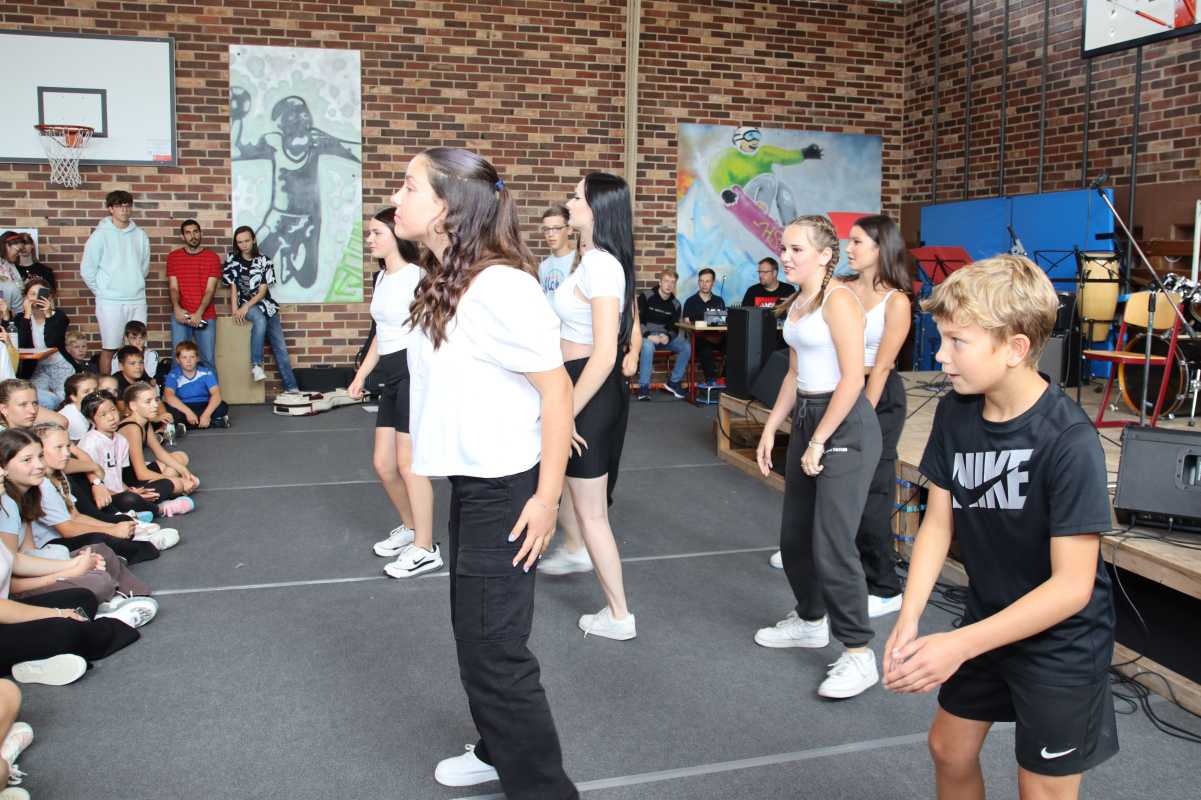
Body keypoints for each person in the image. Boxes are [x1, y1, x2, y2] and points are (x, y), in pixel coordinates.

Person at [883, 255, 1118, 799]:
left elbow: (1072, 587)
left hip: (1061, 641)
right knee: (949, 748)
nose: (940, 355)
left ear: (1014, 348)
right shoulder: (955, 412)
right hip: (988, 617)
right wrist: (910, 616)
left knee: (1040, 789)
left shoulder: (1069, 440)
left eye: (957, 342)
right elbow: (937, 524)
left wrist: (958, 645)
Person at [392, 146, 577, 797]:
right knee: (474, 637)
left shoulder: (501, 287)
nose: (396, 198)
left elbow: (556, 390)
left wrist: (547, 500)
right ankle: (498, 750)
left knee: (496, 651)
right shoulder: (445, 277)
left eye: (409, 186)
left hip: (507, 492)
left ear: (446, 206)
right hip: (474, 486)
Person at [753, 214, 882, 699]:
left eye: (796, 249)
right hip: (808, 415)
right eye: (783, 247)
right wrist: (772, 427)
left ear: (825, 255)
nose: (785, 256)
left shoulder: (839, 301)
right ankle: (810, 620)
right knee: (794, 537)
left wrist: (819, 439)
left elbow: (853, 379)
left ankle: (859, 653)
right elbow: (794, 373)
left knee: (832, 543)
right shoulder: (799, 302)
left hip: (843, 422)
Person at [543, 172, 636, 640]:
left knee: (593, 513)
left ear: (597, 208)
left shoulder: (601, 265)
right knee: (571, 493)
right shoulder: (591, 260)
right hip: (578, 385)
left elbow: (604, 354)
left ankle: (619, 616)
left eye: (577, 197)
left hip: (589, 389)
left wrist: (566, 411)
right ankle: (575, 549)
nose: (569, 202)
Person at [348, 208, 440, 578]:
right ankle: (412, 528)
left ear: (396, 236)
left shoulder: (419, 277)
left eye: (376, 233)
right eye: (369, 234)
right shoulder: (382, 277)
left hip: (412, 372)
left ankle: (426, 548)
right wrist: (361, 374)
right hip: (388, 372)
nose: (369, 239)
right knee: (383, 464)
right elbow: (381, 333)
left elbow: (436, 330)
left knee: (408, 463)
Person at [841, 215, 913, 617]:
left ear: (879, 248)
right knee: (833, 482)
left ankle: (884, 587)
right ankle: (826, 555)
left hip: (877, 396)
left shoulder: (896, 301)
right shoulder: (842, 289)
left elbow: (882, 366)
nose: (848, 248)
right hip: (842, 388)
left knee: (873, 488)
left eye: (856, 242)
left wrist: (861, 414)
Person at [76, 391, 192, 518]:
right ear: (91, 420)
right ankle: (160, 509)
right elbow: (90, 486)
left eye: (113, 410)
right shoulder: (90, 443)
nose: (111, 417)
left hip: (123, 493)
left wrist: (132, 491)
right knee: (130, 499)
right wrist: (130, 495)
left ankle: (138, 511)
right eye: (103, 415)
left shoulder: (121, 440)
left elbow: (118, 478)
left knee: (170, 484)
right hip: (105, 497)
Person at [80, 190, 150, 377]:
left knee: (138, 347)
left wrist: (134, 283)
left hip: (136, 299)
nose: (124, 210)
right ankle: (107, 388)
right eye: (119, 206)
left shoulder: (140, 235)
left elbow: (143, 267)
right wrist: (103, 291)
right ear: (110, 209)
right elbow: (87, 269)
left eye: (127, 206)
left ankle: (136, 388)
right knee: (110, 347)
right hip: (110, 301)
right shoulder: (100, 235)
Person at [223, 226, 299, 392]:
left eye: (247, 241)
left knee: (280, 348)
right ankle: (256, 365)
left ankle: (292, 388)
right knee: (259, 319)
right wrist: (235, 309)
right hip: (245, 305)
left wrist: (246, 306)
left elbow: (263, 291)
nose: (244, 245)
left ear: (253, 240)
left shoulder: (265, 261)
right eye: (240, 242)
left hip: (265, 305)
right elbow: (233, 287)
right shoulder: (232, 260)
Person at [118, 383, 200, 498]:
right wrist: (177, 480)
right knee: (178, 484)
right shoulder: (132, 428)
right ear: (133, 406)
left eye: (156, 400)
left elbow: (159, 452)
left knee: (181, 457)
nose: (155, 405)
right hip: (128, 481)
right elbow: (141, 473)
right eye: (148, 402)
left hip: (136, 473)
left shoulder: (144, 422)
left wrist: (184, 471)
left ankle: (167, 488)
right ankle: (165, 490)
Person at [166, 219, 222, 370]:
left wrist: (199, 313)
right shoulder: (173, 257)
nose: (193, 236)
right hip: (181, 315)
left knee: (207, 360)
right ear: (183, 236)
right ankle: (176, 388)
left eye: (196, 232)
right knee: (178, 360)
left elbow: (210, 290)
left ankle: (212, 388)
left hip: (205, 315)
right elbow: (173, 288)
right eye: (188, 233)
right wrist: (177, 309)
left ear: (200, 233)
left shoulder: (212, 257)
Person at [12, 280, 73, 410]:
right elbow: (23, 345)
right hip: (36, 367)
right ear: (25, 297)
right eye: (32, 294)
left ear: (49, 297)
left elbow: (51, 342)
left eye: (41, 294)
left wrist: (48, 314)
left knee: (64, 401)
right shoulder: (21, 319)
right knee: (39, 401)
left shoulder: (59, 316)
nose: (36, 298)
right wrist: (27, 315)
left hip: (59, 364)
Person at [636, 269, 689, 400]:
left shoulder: (676, 304)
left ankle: (673, 382)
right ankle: (644, 387)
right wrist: (648, 335)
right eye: (666, 281)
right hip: (647, 336)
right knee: (647, 346)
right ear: (660, 282)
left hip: (664, 337)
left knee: (686, 346)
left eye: (672, 282)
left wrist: (668, 337)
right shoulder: (646, 296)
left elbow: (674, 328)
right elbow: (637, 321)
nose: (669, 285)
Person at [162, 342, 229, 432]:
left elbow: (216, 395)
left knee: (222, 406)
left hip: (203, 405)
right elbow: (169, 396)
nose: (188, 361)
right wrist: (188, 412)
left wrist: (206, 415)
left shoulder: (206, 372)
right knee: (166, 409)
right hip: (183, 406)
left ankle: (184, 426)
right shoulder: (173, 375)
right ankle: (214, 423)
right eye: (184, 357)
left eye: (192, 357)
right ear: (178, 360)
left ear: (197, 358)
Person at [682, 267, 727, 386]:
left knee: (734, 346)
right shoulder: (690, 301)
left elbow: (723, 323)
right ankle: (711, 382)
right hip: (699, 339)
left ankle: (725, 378)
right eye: (701, 281)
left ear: (713, 283)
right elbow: (687, 325)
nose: (704, 284)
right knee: (705, 347)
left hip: (718, 338)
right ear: (698, 282)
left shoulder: (719, 301)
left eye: (707, 281)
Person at [537, 205, 574, 294]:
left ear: (569, 230)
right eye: (546, 229)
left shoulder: (580, 261)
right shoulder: (543, 266)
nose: (550, 234)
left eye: (557, 228)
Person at [60, 373, 98, 442]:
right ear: (73, 397)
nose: (94, 395)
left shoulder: (89, 410)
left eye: (95, 390)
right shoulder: (74, 419)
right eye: (86, 392)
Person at [0, 238, 24, 313]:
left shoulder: (11, 265)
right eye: (18, 250)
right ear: (7, 246)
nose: (19, 254)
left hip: (12, 310)